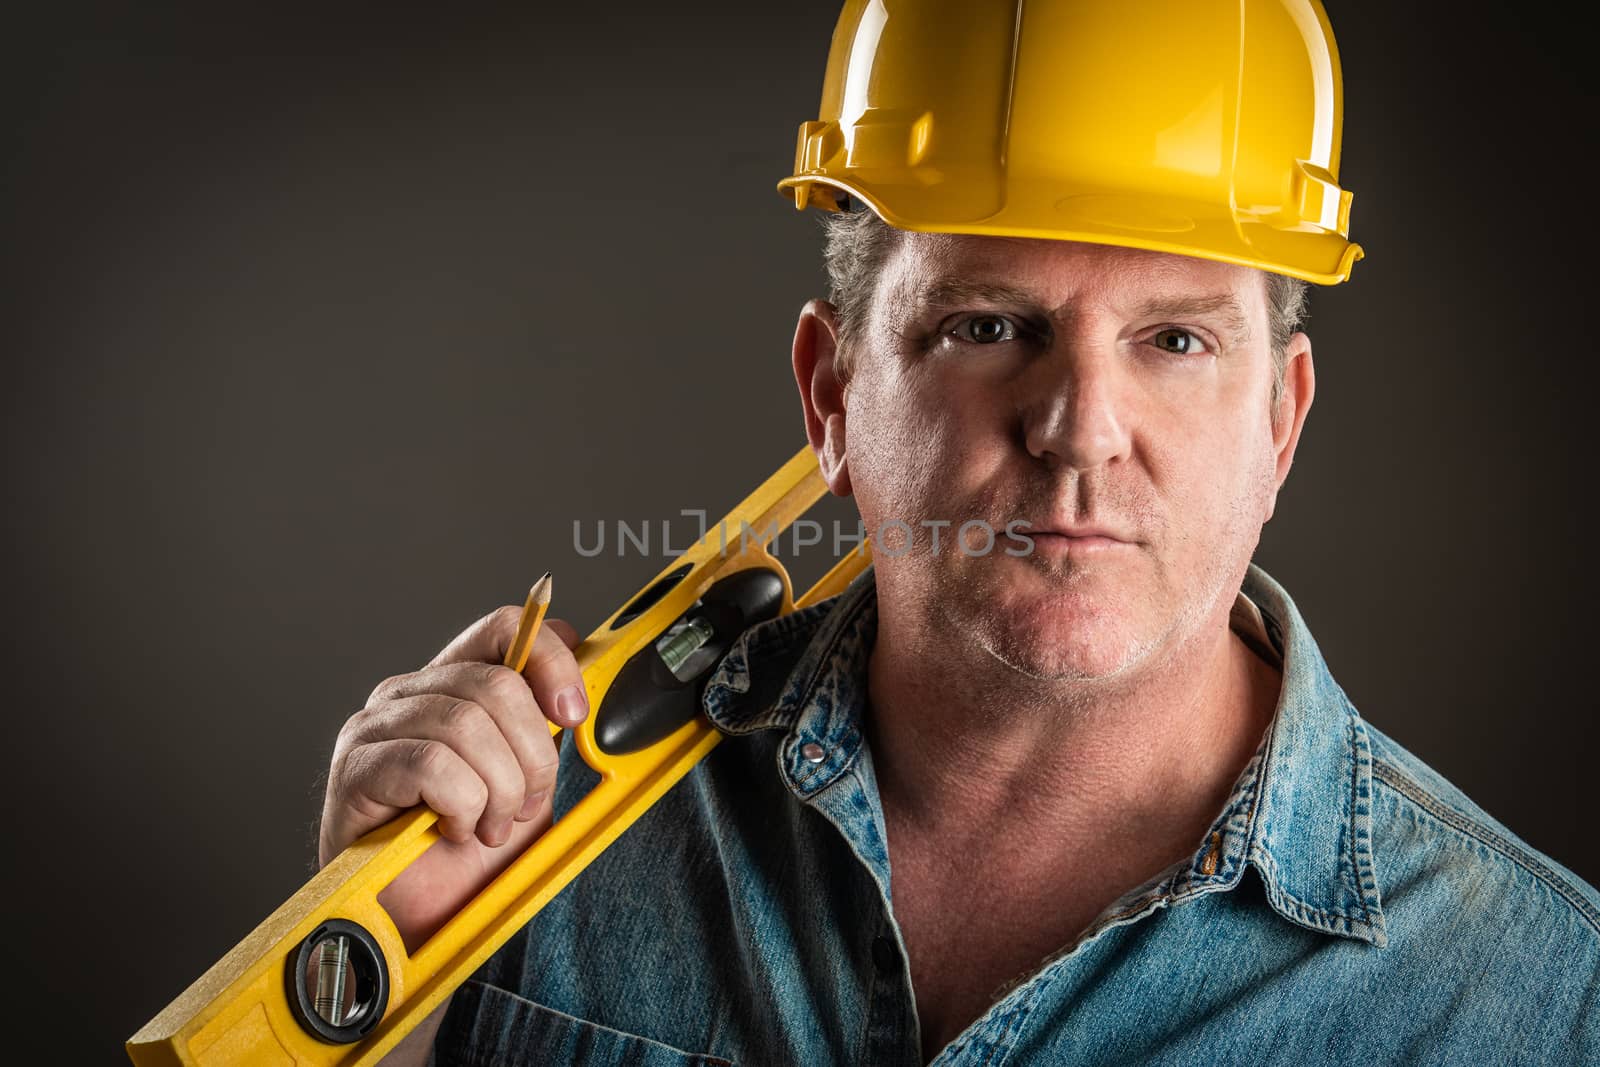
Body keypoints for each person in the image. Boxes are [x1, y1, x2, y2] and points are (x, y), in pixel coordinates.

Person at [316, 1, 1599, 1063]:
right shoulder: (538, 836)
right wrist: (375, 980)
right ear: (830, 396)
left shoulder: (1541, 999)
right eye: (987, 325)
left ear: (1279, 422)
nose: (1080, 428)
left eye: (1175, 339)